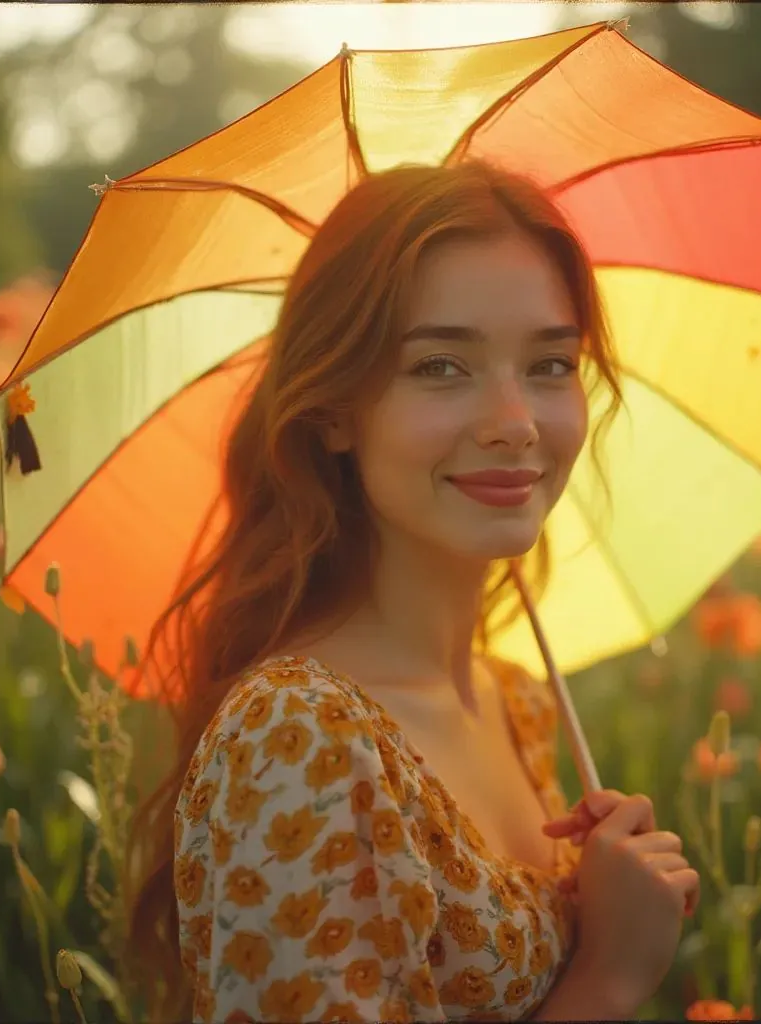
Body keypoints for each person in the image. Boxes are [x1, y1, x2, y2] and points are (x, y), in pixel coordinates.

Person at [124, 160, 700, 1023]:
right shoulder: (296, 738)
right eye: (441, 366)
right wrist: (610, 977)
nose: (515, 421)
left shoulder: (519, 703)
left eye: (550, 363)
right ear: (332, 411)